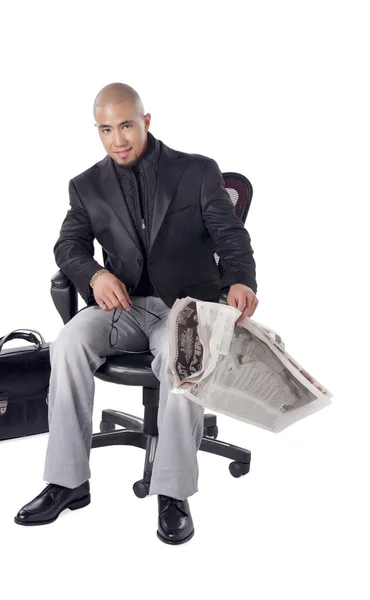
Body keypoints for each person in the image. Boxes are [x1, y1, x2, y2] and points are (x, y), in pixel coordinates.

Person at [14, 82, 259, 544]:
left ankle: (172, 493)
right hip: (123, 306)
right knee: (67, 343)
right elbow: (68, 245)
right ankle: (68, 482)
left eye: (126, 125)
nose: (117, 139)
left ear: (146, 122)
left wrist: (241, 279)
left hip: (185, 307)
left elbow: (231, 237)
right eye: (105, 129)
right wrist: (93, 274)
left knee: (181, 357)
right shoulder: (86, 186)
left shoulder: (198, 171)